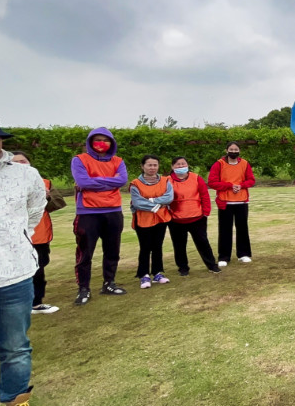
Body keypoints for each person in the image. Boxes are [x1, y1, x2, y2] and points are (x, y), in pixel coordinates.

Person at [0, 125, 46, 406]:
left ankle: (15, 404)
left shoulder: (25, 174)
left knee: (15, 348)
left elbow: (36, 207)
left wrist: (18, 236)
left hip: (13, 274)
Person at [71, 127, 128, 305]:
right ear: (90, 142)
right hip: (88, 212)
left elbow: (122, 180)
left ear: (111, 143)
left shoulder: (118, 161)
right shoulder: (80, 160)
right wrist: (109, 182)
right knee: (85, 253)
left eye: (105, 140)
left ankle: (109, 283)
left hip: (113, 211)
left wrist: (94, 182)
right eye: (97, 139)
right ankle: (83, 289)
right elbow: (82, 182)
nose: (101, 143)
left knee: (112, 251)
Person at [11, 152, 66, 314]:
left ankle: (36, 303)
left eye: (23, 161)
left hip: (39, 234)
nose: (21, 164)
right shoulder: (4, 184)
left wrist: (46, 198)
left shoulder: (44, 183)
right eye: (16, 162)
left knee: (39, 267)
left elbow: (58, 203)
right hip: (13, 236)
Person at [168, 157, 221, 276]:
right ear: (172, 167)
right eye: (178, 164)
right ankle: (183, 268)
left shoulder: (196, 178)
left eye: (183, 164)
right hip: (176, 220)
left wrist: (206, 213)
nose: (181, 166)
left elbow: (204, 196)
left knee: (203, 243)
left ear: (187, 165)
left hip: (197, 218)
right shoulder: (167, 180)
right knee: (179, 245)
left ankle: (212, 265)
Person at [208, 141, 255, 266]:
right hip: (225, 202)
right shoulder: (219, 164)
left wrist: (241, 186)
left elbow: (251, 180)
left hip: (241, 201)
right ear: (226, 150)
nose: (233, 151)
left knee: (242, 228)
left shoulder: (245, 163)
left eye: (236, 149)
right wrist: (229, 186)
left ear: (239, 151)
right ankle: (224, 257)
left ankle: (243, 254)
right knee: (224, 230)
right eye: (231, 149)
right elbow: (212, 182)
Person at [130, 155, 174, 289]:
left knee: (157, 246)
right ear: (142, 166)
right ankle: (143, 274)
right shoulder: (135, 184)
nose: (152, 168)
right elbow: (137, 203)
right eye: (149, 165)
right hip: (143, 219)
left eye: (155, 165)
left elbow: (169, 197)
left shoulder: (166, 180)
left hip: (161, 219)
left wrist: (149, 200)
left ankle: (157, 273)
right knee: (145, 247)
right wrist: (157, 205)